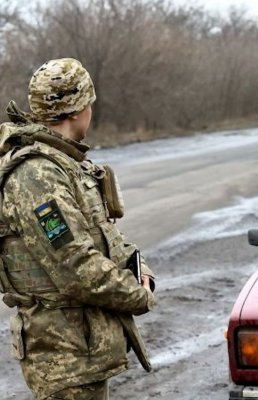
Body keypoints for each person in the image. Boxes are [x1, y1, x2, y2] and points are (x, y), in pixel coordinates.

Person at [0, 58, 156, 400]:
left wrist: (137, 265)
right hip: (62, 355)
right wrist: (136, 295)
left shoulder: (66, 163)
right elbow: (74, 265)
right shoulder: (37, 175)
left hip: (81, 349)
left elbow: (103, 234)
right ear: (78, 109)